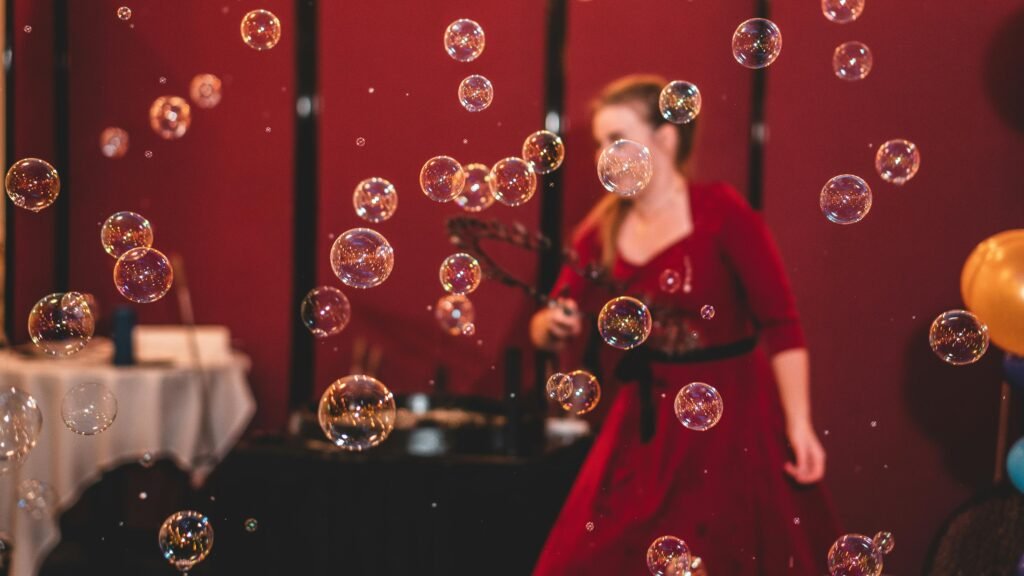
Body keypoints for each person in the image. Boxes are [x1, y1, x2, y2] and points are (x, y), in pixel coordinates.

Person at [530, 75, 840, 575]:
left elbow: (782, 325)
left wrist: (800, 424)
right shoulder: (601, 227)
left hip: (730, 414)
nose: (603, 155)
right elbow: (547, 320)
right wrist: (554, 325)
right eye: (598, 144)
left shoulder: (722, 212)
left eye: (617, 139)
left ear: (665, 138)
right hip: (646, 420)